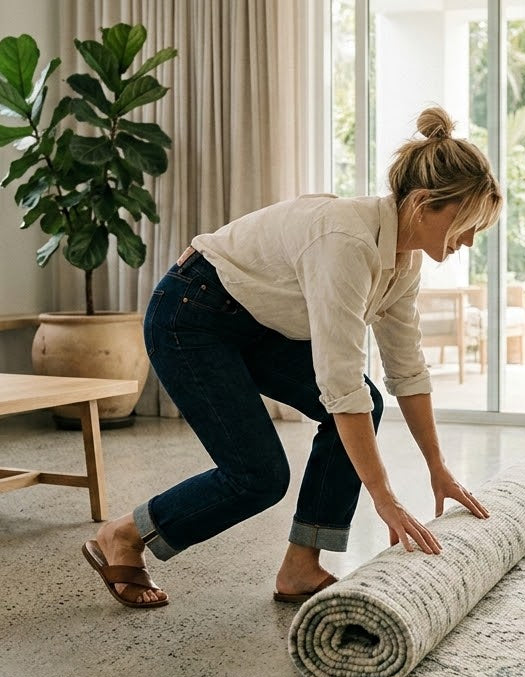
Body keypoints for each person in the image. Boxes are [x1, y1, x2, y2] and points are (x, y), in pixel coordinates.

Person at [81, 105, 503, 608]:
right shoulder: (346, 241)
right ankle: (124, 534)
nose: (471, 240)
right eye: (467, 222)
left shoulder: (404, 261)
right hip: (191, 314)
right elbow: (339, 380)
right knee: (258, 476)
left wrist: (438, 468)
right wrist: (384, 497)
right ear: (422, 204)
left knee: (366, 402)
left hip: (254, 322)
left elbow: (407, 370)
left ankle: (301, 566)